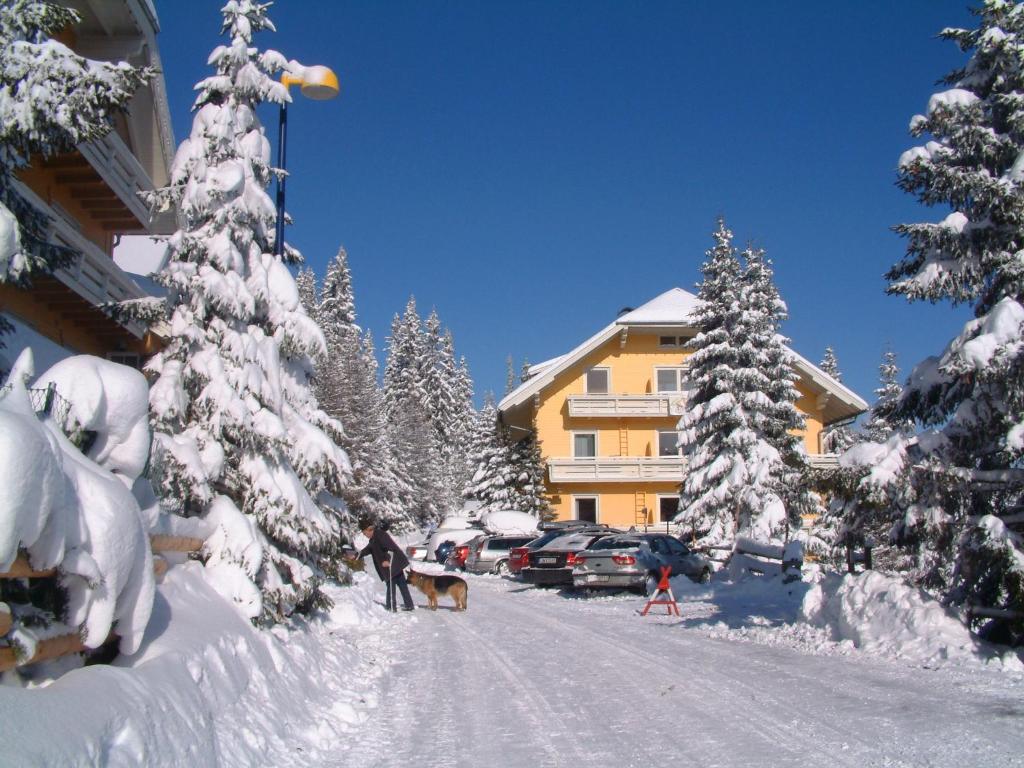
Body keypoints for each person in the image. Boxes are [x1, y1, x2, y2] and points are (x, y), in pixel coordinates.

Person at [357, 516, 415, 612]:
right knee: (401, 583)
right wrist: (357, 555)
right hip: (395, 564)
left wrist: (387, 560)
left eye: (364, 533)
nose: (364, 535)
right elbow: (368, 549)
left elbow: (391, 548)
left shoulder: (380, 535)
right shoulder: (374, 538)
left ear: (369, 529)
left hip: (392, 564)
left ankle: (391, 607)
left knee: (391, 584)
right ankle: (408, 605)